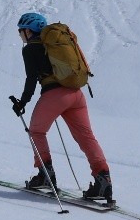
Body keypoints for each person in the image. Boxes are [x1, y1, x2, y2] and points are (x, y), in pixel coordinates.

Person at [10, 12, 113, 203]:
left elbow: (31, 79)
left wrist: (22, 102)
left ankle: (45, 176)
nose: (19, 35)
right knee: (86, 137)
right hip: (76, 94)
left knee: (36, 132)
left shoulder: (31, 48)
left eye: (20, 31)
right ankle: (103, 181)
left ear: (28, 30)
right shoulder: (55, 45)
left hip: (55, 95)